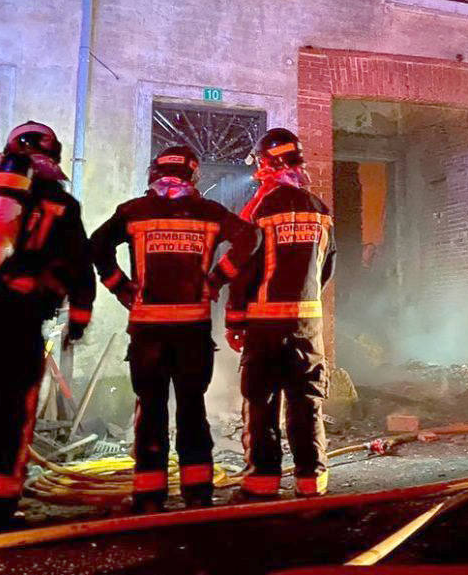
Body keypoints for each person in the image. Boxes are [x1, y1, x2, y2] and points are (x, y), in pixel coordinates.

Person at [0, 121, 95, 529]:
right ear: (53, 159)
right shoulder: (61, 205)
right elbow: (79, 264)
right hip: (19, 325)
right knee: (9, 416)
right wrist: (79, 315)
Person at [90, 145, 260, 511]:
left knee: (150, 410)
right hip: (192, 333)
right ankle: (197, 494)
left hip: (148, 332)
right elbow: (251, 238)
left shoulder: (134, 212)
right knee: (191, 409)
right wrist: (217, 279)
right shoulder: (208, 212)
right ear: (193, 176)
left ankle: (149, 497)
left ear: (155, 173)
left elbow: (97, 245)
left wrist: (120, 286)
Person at [209, 128, 335, 499]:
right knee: (306, 401)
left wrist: (235, 319)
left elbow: (245, 269)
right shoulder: (320, 210)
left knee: (261, 402)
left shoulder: (259, 209)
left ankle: (261, 483)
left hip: (264, 325)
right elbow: (326, 268)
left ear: (268, 163)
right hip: (307, 325)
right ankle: (311, 481)